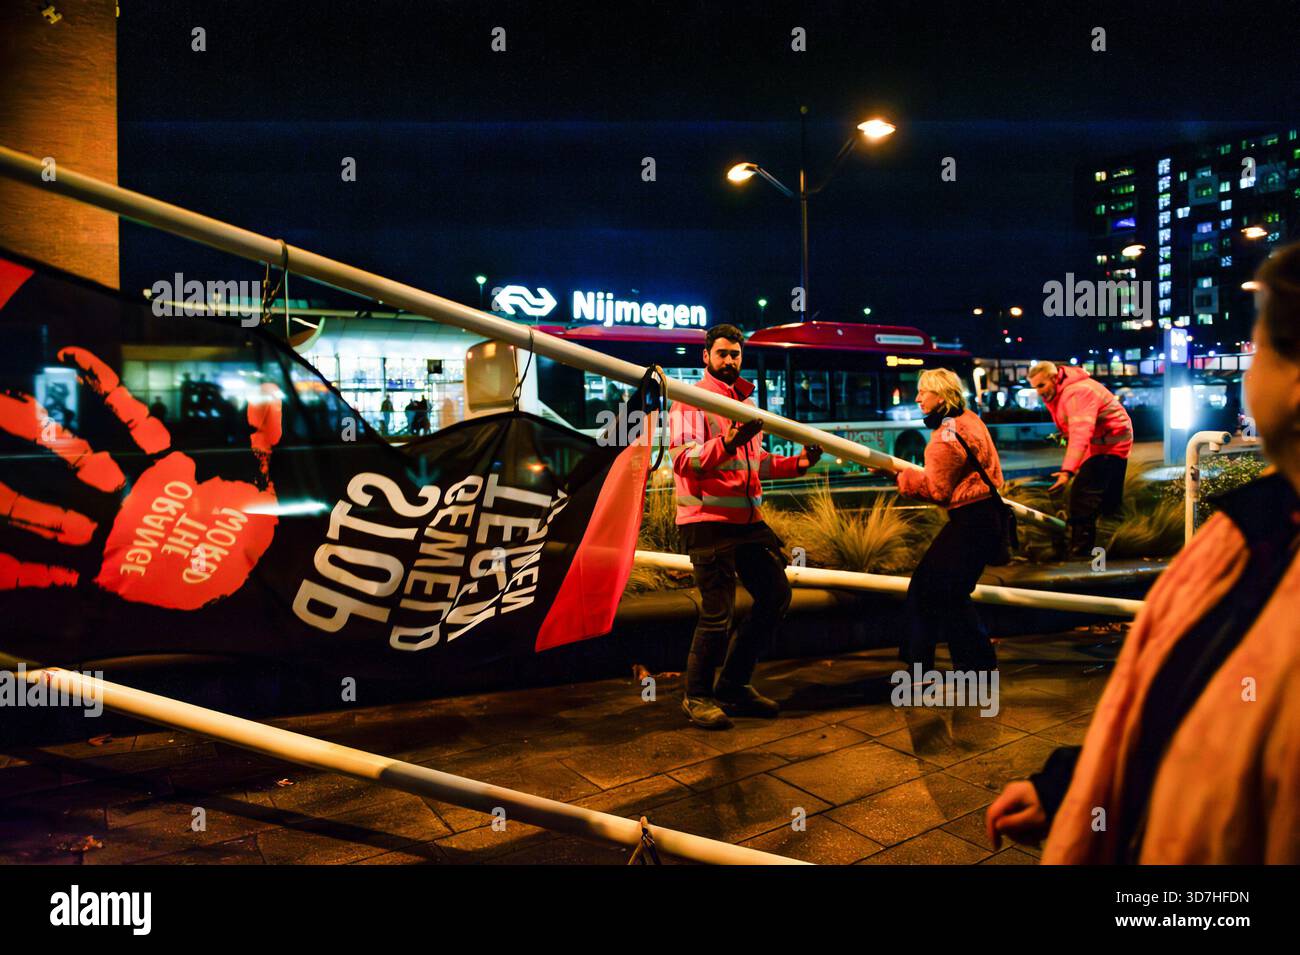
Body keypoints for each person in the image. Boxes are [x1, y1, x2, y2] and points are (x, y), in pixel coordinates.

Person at [986, 242, 1300, 864]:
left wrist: (1069, 470)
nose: (1245, 373)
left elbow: (1079, 433)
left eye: (1258, 349)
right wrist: (1071, 784)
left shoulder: (1259, 543)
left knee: (1087, 504)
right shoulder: (1254, 526)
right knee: (1100, 506)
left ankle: (1084, 546)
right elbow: (1176, 700)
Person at [669, 323, 822, 729]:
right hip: (707, 523)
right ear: (705, 357)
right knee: (717, 614)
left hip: (746, 523)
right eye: (722, 353)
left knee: (774, 596)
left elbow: (758, 461)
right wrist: (730, 442)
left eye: (735, 354)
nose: (729, 361)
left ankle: (733, 686)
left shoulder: (742, 403)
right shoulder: (691, 402)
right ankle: (696, 697)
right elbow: (684, 461)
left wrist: (800, 464)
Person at [873, 368, 1003, 678]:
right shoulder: (970, 420)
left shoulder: (944, 437)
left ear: (941, 396)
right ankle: (974, 663)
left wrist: (901, 477)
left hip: (969, 521)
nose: (916, 398)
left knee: (926, 588)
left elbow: (937, 490)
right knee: (950, 592)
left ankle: (922, 665)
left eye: (923, 392)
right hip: (987, 517)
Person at [1027, 360, 1133, 557]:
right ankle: (1110, 545)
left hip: (1108, 446)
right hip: (1105, 444)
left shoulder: (1077, 392)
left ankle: (1082, 550)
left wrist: (1067, 472)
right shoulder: (1065, 391)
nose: (1039, 392)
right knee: (1106, 499)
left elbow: (1080, 433)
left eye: (1041, 385)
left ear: (1054, 378)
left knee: (1082, 497)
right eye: (1035, 387)